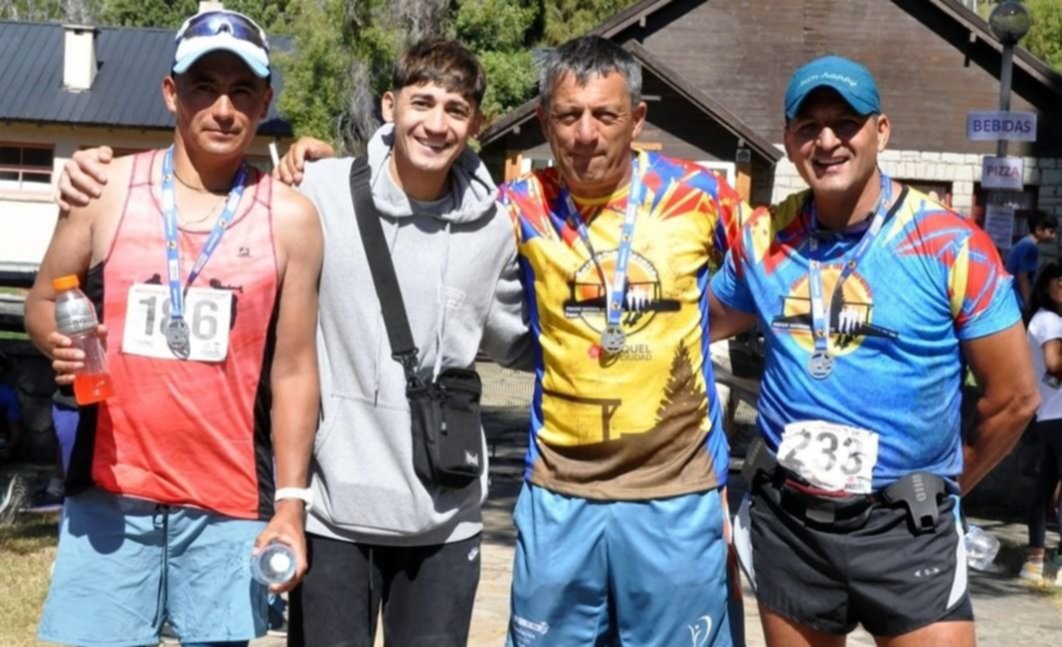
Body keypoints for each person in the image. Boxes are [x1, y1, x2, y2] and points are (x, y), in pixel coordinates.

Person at [59, 38, 529, 646]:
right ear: (389, 106)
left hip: (444, 516)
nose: (436, 124)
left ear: (478, 123)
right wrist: (89, 170)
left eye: (456, 110)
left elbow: (520, 338)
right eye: (422, 102)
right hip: (333, 508)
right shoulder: (319, 191)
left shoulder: (495, 225)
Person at [709, 55, 1039, 646]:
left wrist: (951, 485)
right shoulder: (761, 239)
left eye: (846, 122)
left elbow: (1014, 397)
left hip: (909, 524)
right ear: (787, 141)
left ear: (880, 131)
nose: (827, 140)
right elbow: (695, 328)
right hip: (791, 521)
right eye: (808, 126)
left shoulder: (950, 244)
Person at [26, 9, 323, 646]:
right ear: (171, 93)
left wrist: (292, 505)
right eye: (203, 87)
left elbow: (295, 371)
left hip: (226, 507)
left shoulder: (290, 218)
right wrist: (55, 339)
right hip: (110, 499)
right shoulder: (107, 188)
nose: (223, 108)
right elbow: (43, 302)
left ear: (265, 101)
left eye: (243, 90)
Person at [497, 36, 744, 646]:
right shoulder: (516, 206)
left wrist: (696, 323)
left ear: (637, 119)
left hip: (676, 495)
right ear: (542, 122)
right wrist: (332, 165)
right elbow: (423, 211)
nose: (586, 134)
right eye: (568, 115)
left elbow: (786, 270)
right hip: (558, 493)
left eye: (605, 115)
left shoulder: (702, 198)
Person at [1021, 262, 1062, 587]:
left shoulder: (1042, 319)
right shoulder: (1050, 321)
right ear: (1046, 286)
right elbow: (1054, 364)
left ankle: (1035, 561)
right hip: (1058, 414)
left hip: (1048, 414)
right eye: (1059, 282)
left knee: (1045, 488)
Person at [1006, 209, 1058, 310]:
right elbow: (1023, 278)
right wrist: (1029, 306)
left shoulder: (1023, 243)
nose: (1054, 236)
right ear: (1038, 230)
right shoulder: (1030, 247)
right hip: (1016, 301)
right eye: (1051, 232)